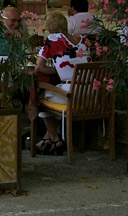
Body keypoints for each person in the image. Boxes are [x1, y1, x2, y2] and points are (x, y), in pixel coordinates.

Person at [33, 11, 90, 154]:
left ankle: (55, 138)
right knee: (54, 95)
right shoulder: (84, 40)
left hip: (71, 94)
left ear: (49, 28)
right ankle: (49, 138)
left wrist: (55, 70)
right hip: (89, 94)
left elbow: (39, 67)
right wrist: (60, 70)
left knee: (38, 98)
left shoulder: (53, 39)